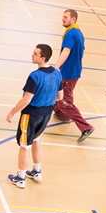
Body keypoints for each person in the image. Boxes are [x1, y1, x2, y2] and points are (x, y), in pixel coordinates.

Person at [6, 44, 63, 188]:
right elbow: (59, 97)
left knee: (24, 145)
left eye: (35, 54)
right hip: (46, 113)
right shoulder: (57, 73)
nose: (32, 55)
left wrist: (12, 111)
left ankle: (20, 178)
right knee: (37, 139)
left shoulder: (35, 76)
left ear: (42, 58)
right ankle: (36, 171)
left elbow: (26, 100)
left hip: (31, 115)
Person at [52, 9, 95, 143]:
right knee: (56, 95)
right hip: (73, 71)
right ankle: (63, 115)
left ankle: (85, 127)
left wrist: (56, 67)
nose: (62, 19)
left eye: (65, 17)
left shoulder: (70, 34)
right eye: (62, 17)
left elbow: (66, 51)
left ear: (73, 20)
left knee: (65, 101)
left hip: (69, 73)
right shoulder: (78, 32)